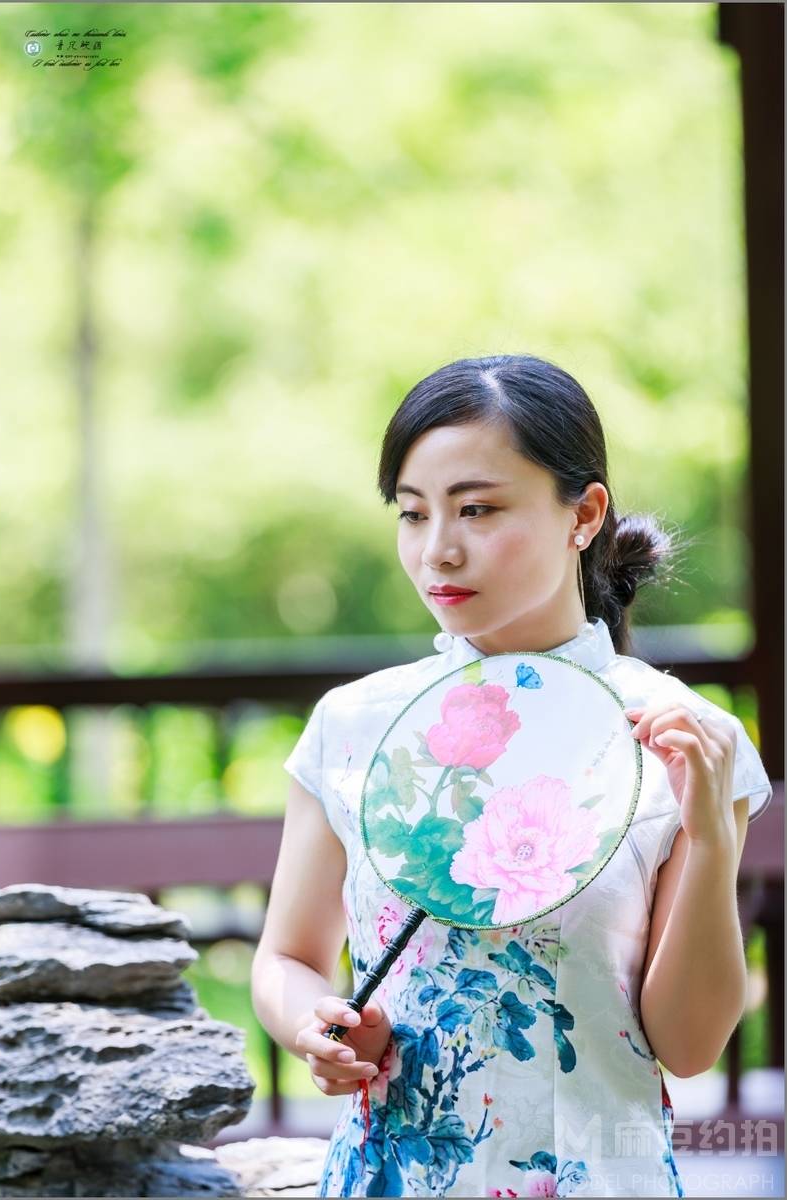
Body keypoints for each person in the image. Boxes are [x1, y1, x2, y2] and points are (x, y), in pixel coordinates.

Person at [251, 354, 773, 1198]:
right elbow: (286, 956)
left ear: (584, 514)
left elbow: (688, 1045)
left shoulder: (682, 740)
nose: (438, 550)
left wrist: (710, 840)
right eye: (413, 514)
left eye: (478, 509)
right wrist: (318, 1025)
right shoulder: (354, 727)